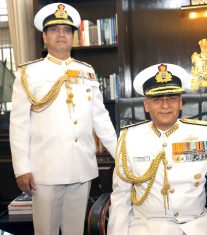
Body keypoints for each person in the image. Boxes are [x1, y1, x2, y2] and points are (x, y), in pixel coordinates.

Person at [9, 3, 117, 235]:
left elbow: (101, 119)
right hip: (45, 171)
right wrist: (21, 168)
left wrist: (122, 156)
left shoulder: (86, 71)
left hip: (81, 168)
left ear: (72, 37)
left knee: (75, 231)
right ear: (45, 36)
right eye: (55, 29)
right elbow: (18, 125)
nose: (61, 34)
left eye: (66, 30)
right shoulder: (29, 73)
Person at [107, 63, 207, 235]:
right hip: (147, 228)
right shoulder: (128, 139)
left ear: (181, 103)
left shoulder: (203, 133)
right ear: (146, 105)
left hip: (196, 226)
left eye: (172, 98)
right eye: (157, 99)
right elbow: (121, 197)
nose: (165, 105)